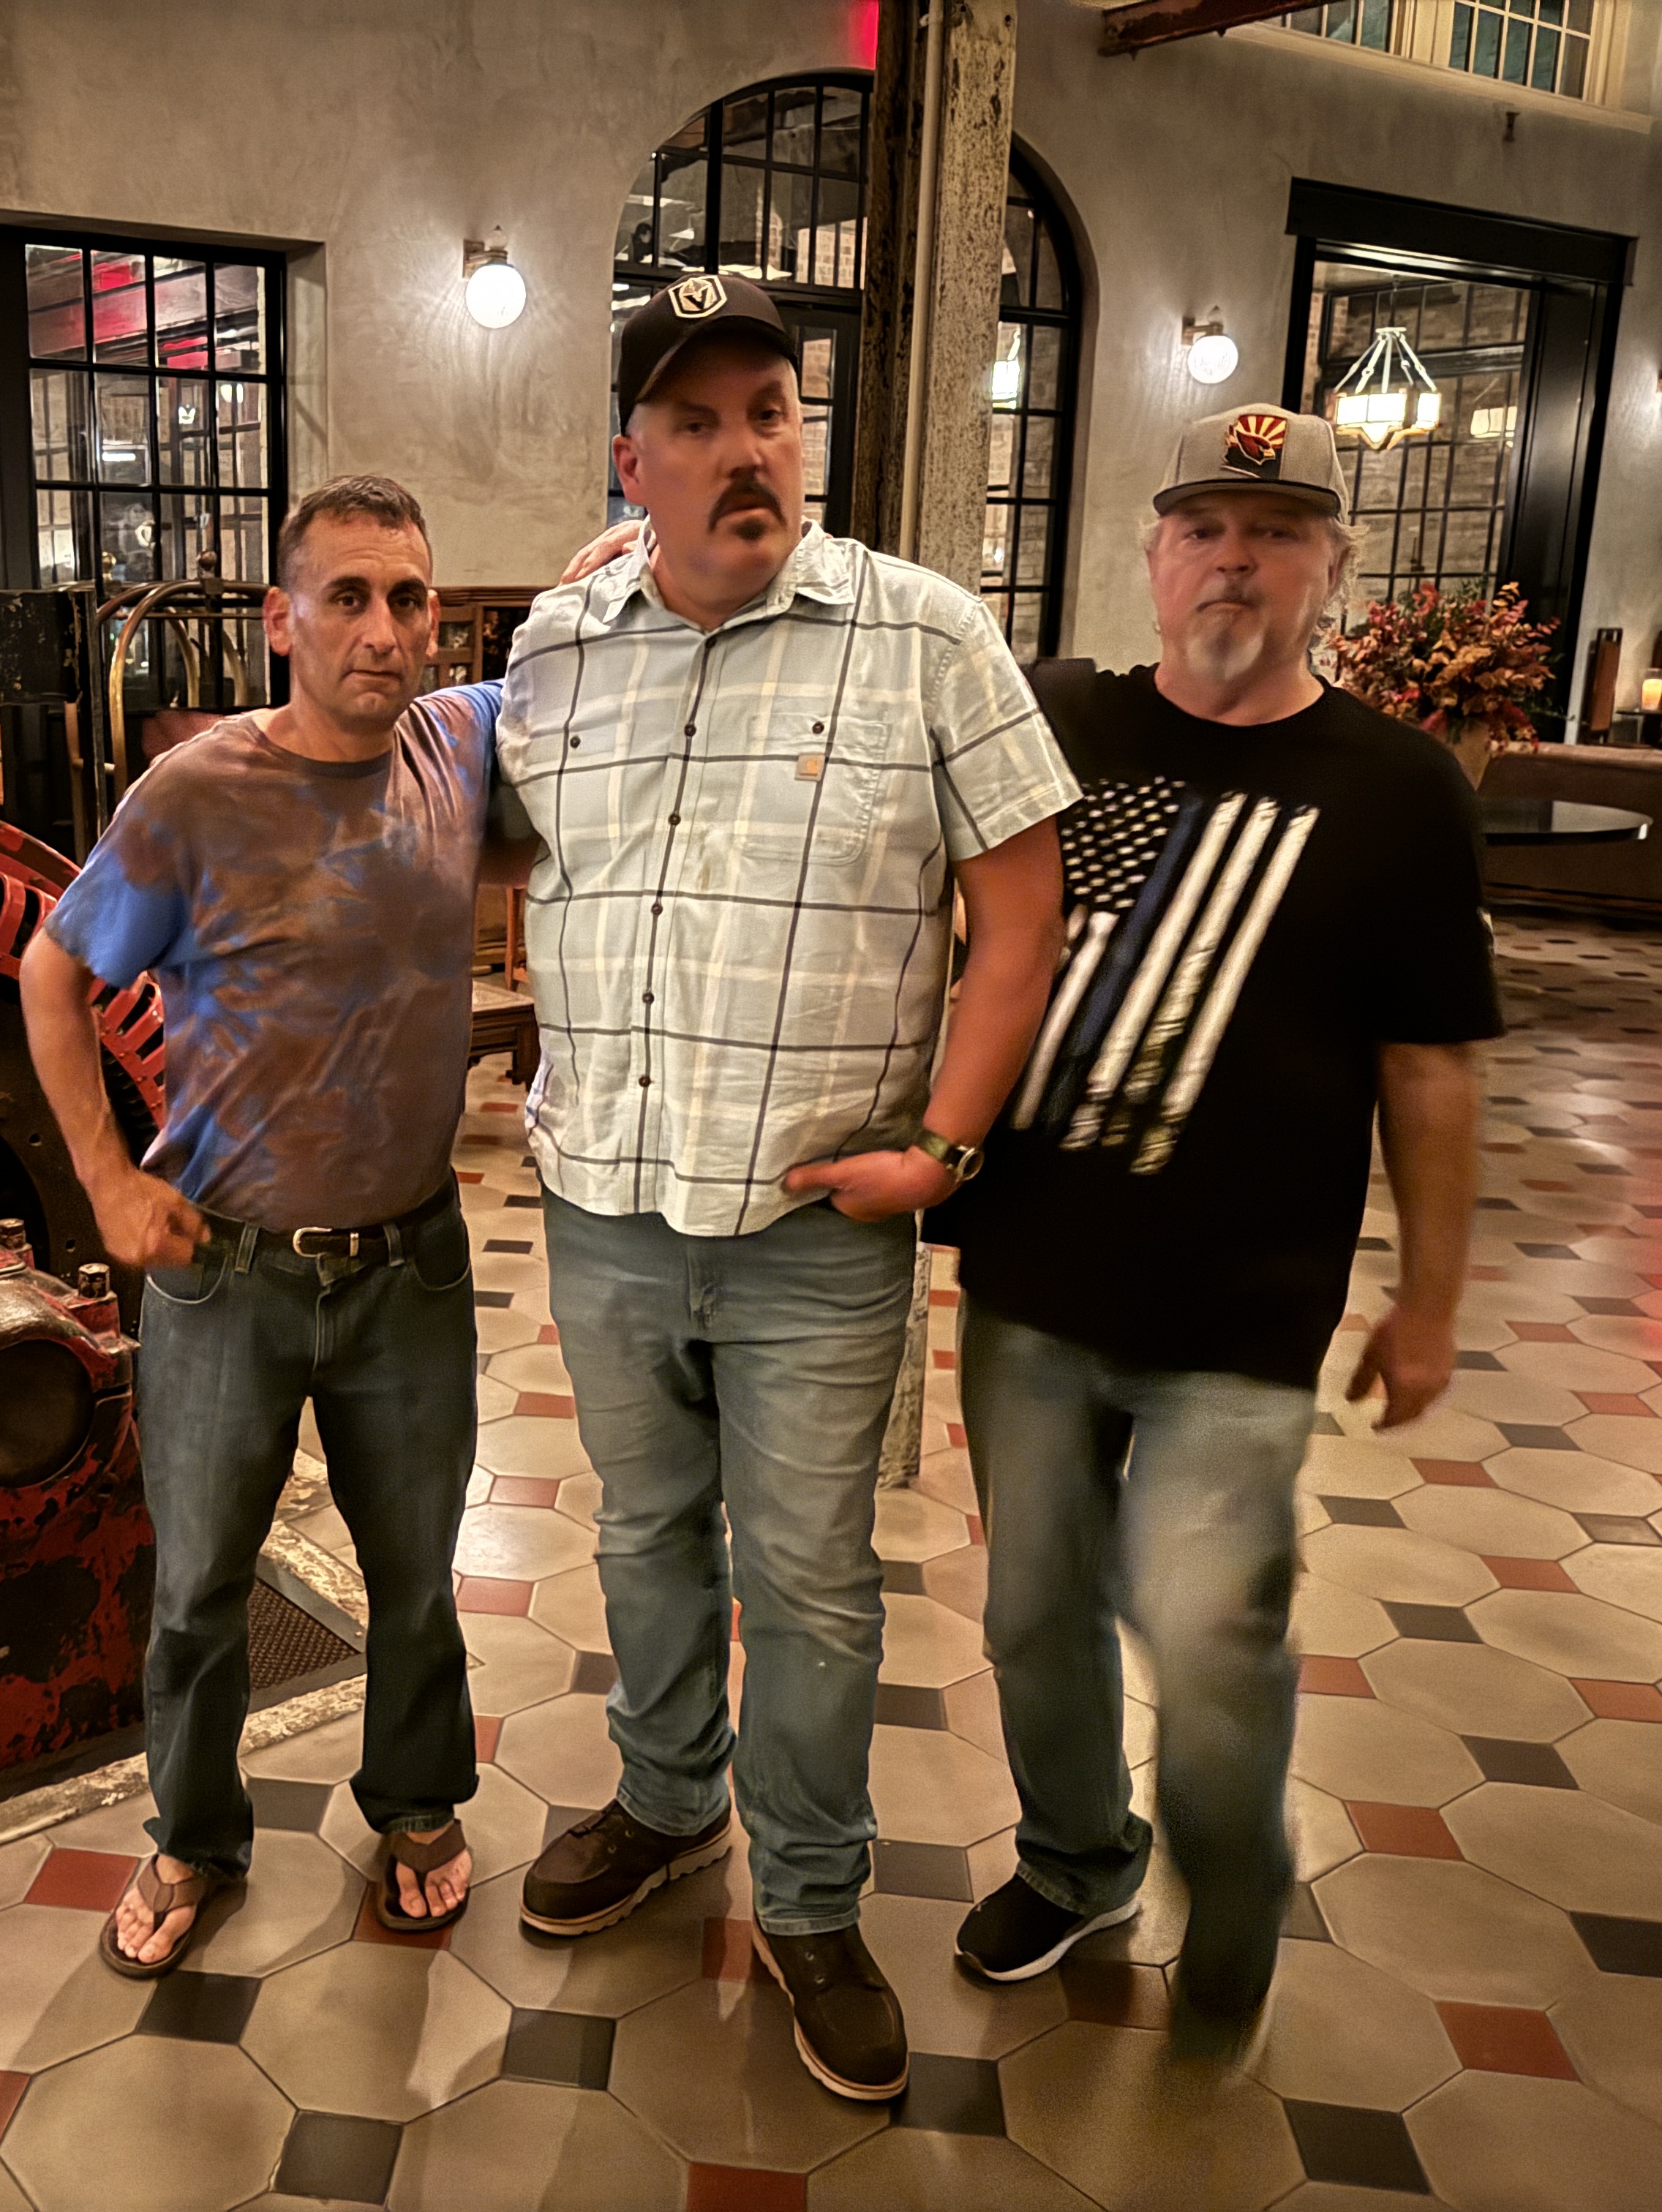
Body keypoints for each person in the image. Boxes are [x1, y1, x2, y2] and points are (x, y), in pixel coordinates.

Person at [490, 273, 1078, 2102]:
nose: (746, 451)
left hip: (817, 1226)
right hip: (606, 1203)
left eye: (771, 412)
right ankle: (668, 1803)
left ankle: (813, 1901)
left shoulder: (925, 636)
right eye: (698, 423)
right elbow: (493, 846)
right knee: (643, 1538)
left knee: (814, 1587)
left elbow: (1022, 918)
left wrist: (946, 1148)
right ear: (633, 462)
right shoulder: (558, 644)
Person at [924, 405, 1500, 2045]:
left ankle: (1233, 1875)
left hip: (1240, 1314)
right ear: (1154, 553)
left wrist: (1429, 1301)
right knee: (1032, 1608)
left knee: (1203, 1625)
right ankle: (1076, 1858)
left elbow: (1431, 1069)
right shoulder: (1058, 719)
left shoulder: (1398, 789)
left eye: (1275, 530)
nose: (1233, 559)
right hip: (1034, 1276)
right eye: (1202, 527)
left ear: (1331, 567)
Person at [20, 475, 490, 1976]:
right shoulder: (196, 794)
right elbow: (50, 974)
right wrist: (108, 1179)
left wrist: (626, 561)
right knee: (200, 1584)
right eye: (346, 597)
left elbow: (589, 668)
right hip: (227, 1269)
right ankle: (190, 1833)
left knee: (415, 1576)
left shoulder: (458, 745)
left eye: (406, 598)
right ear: (282, 620)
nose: (381, 630)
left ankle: (415, 1801)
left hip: (410, 1261)